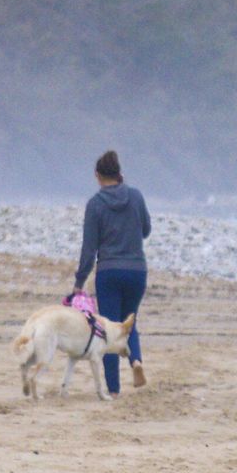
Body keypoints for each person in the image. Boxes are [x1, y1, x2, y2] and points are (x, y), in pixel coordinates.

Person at [73, 150, 151, 397]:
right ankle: (136, 361)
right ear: (119, 174)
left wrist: (79, 281)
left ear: (97, 176)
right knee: (130, 321)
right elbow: (146, 230)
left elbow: (89, 248)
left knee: (107, 328)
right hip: (137, 270)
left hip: (109, 272)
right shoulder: (136, 196)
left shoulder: (95, 204)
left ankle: (114, 389)